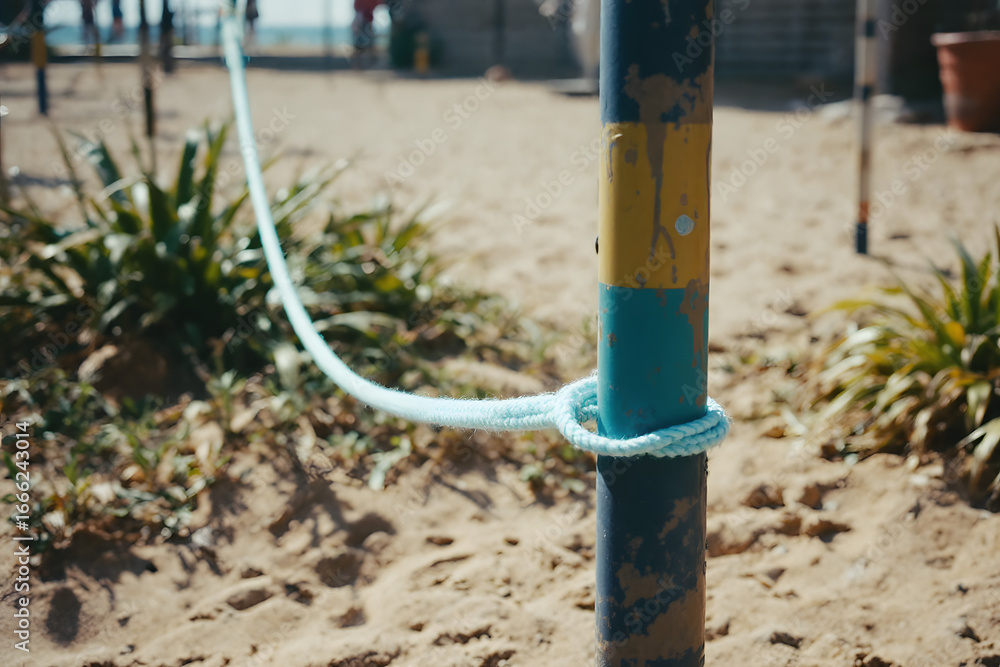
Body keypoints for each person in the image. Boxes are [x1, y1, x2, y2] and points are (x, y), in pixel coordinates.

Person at [352, 0, 382, 68]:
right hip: (361, 22)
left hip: (367, 22)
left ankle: (368, 63)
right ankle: (358, 63)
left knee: (368, 44)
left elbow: (379, 3)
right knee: (360, 45)